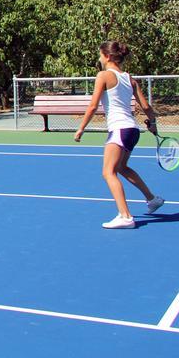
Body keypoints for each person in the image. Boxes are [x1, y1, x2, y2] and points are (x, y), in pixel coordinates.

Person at [74, 41, 164, 229]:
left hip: (120, 130)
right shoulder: (129, 78)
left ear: (107, 56)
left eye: (100, 55)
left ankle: (125, 216)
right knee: (122, 167)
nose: (99, 59)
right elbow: (146, 107)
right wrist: (153, 124)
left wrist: (81, 128)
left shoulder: (103, 75)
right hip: (132, 130)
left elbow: (93, 106)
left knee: (108, 172)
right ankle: (152, 199)